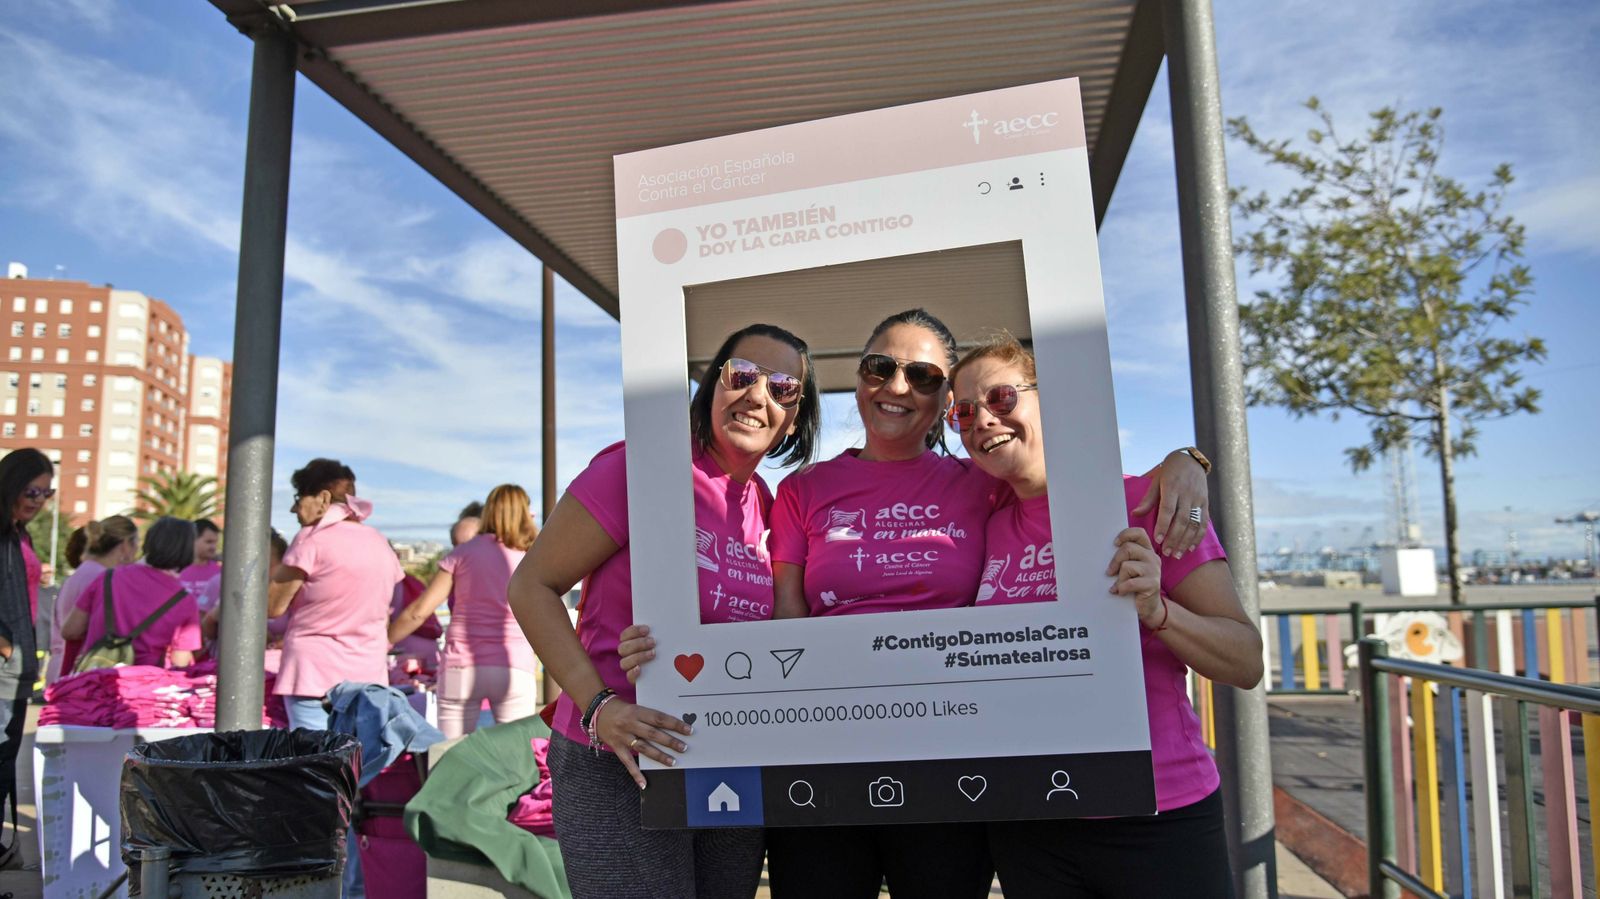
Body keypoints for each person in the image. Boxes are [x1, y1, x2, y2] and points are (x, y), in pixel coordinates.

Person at [619, 310, 1209, 898]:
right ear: (860, 378)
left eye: (924, 377)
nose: (898, 386)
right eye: (881, 367)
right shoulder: (802, 490)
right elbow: (784, 624)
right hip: (824, 759)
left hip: (950, 763)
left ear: (946, 399)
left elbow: (1057, 478)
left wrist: (1186, 461)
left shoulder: (982, 480)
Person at [507, 323, 820, 899]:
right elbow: (532, 587)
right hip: (618, 755)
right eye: (742, 375)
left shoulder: (767, 505)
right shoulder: (638, 469)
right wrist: (600, 707)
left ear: (793, 419)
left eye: (783, 388)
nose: (757, 396)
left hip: (728, 754)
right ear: (712, 386)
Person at [947, 335, 1261, 898]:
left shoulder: (1145, 503)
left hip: (1158, 811)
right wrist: (1187, 456)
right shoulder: (989, 519)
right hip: (1031, 816)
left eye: (1000, 397)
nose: (983, 421)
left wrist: (1159, 611)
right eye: (964, 413)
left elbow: (1246, 660)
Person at [392, 484, 540, 737]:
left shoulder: (462, 553)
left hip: (461, 667)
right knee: (517, 751)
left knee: (449, 751)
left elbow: (419, 611)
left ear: (488, 511)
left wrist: (384, 640)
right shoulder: (531, 558)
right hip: (513, 666)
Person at [267, 458, 403, 731]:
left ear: (323, 498)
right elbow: (393, 606)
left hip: (313, 676)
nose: (294, 508)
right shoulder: (379, 542)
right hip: (368, 675)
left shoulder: (311, 539)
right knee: (359, 756)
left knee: (313, 755)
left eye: (298, 498)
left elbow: (272, 605)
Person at [61, 516, 203, 669]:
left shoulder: (109, 577)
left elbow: (71, 630)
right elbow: (180, 661)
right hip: (145, 680)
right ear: (188, 551)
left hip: (97, 676)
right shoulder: (184, 600)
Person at [0, 448, 51, 866]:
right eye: (31, 491)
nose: (38, 501)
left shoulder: (19, 533)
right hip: (5, 664)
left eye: (46, 494)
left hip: (17, 667)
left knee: (4, 761)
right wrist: (5, 647)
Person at [48, 515, 139, 683]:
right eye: (136, 544)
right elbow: (73, 630)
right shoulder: (105, 579)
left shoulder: (82, 573)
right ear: (126, 544)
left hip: (64, 668)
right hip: (84, 672)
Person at [179, 518, 222, 602]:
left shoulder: (220, 573)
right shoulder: (175, 571)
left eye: (215, 542)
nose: (213, 547)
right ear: (193, 540)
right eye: (209, 542)